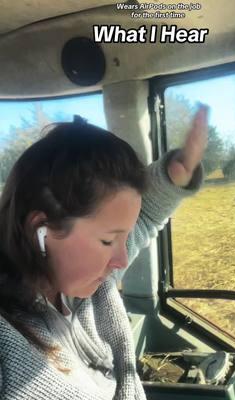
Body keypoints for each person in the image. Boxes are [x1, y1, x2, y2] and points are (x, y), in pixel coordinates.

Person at [0, 106, 208, 400]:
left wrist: (176, 176)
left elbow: (145, 217)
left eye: (124, 238)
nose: (121, 261)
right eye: (108, 241)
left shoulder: (87, 286)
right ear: (41, 230)